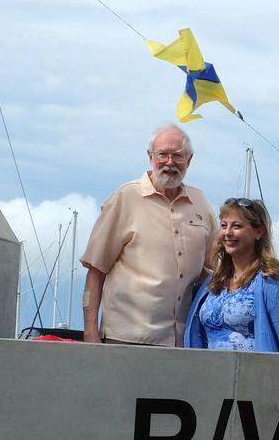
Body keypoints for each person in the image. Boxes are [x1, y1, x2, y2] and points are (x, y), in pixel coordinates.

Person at [80, 125, 217, 346]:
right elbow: (96, 270)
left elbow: (220, 265)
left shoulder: (200, 203)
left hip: (183, 341)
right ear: (150, 157)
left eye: (177, 156)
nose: (169, 162)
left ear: (189, 159)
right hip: (126, 338)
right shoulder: (126, 197)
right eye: (162, 154)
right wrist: (90, 333)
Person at [184, 198, 279, 353]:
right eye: (224, 226)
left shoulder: (274, 282)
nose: (228, 233)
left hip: (253, 374)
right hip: (210, 373)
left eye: (237, 226)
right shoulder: (212, 283)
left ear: (259, 232)